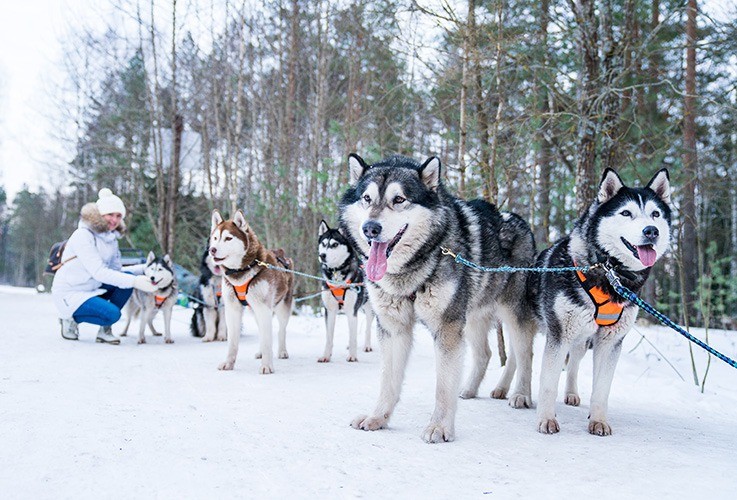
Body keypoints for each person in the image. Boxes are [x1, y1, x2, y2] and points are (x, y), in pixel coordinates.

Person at [51, 188, 158, 344]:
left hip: (92, 287)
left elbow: (116, 272)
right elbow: (99, 272)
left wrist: (144, 268)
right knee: (113, 314)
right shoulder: (83, 235)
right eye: (110, 214)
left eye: (118, 216)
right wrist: (136, 282)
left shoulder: (111, 238)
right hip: (71, 292)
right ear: (99, 214)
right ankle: (68, 318)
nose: (114, 220)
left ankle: (103, 331)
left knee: (126, 280)